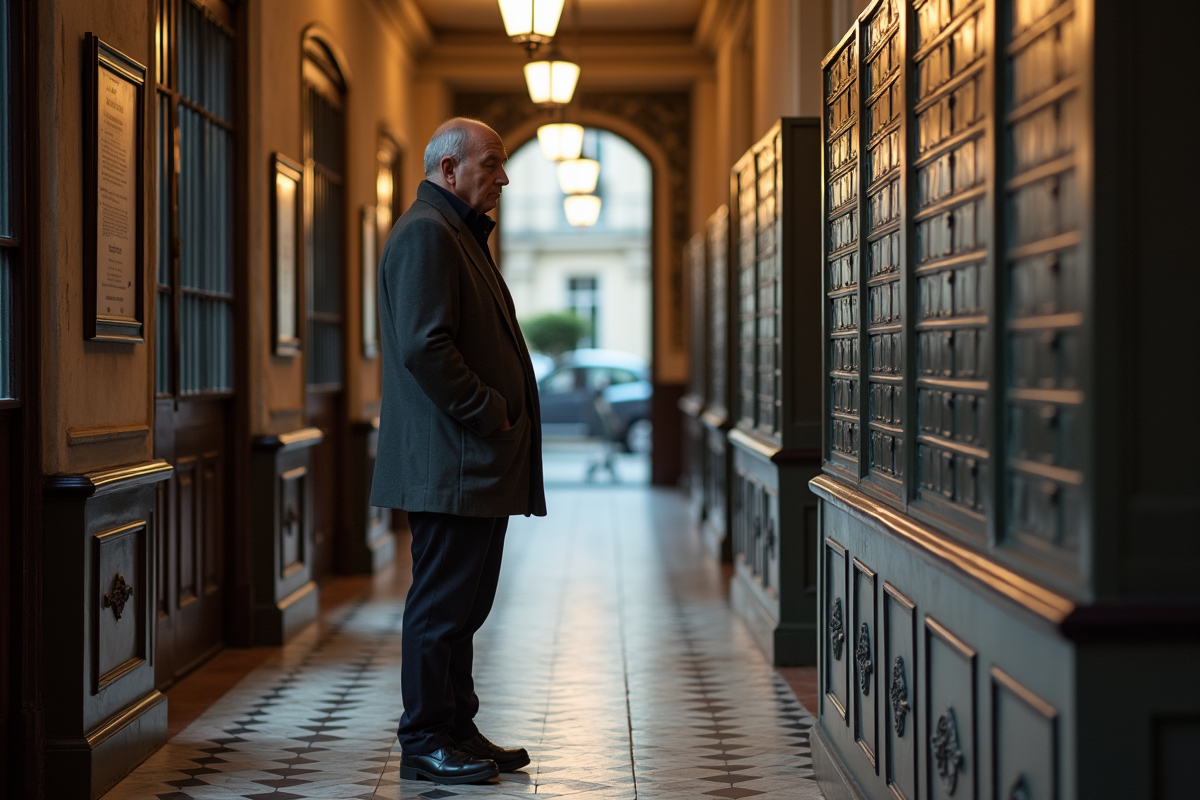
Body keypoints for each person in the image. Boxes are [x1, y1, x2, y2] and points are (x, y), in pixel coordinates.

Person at [371, 117, 547, 785]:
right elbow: (425, 347)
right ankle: (424, 739)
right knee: (442, 606)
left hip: (473, 460)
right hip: (453, 459)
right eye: (491, 163)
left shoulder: (457, 233)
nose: (503, 176)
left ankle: (456, 726)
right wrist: (489, 412)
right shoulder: (426, 234)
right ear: (448, 169)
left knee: (466, 607)